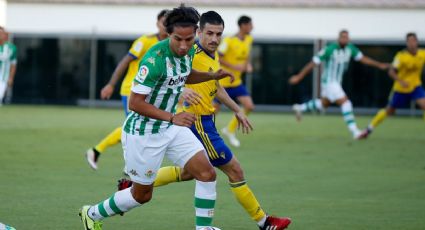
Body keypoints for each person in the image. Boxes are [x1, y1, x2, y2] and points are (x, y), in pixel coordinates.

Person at [118, 11, 292, 230]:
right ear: (198, 32)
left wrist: (237, 109)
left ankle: (132, 186)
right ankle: (264, 222)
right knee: (234, 170)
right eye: (209, 33)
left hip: (204, 120)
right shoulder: (190, 51)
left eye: (218, 34)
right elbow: (174, 78)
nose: (214, 39)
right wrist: (182, 94)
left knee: (191, 172)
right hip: (197, 121)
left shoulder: (211, 53)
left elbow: (214, 86)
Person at [79, 5, 234, 230]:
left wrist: (210, 75)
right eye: (177, 39)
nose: (183, 46)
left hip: (171, 127)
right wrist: (173, 117)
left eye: (189, 39)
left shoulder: (190, 50)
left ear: (196, 34)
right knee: (141, 196)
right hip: (144, 133)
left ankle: (203, 228)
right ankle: (91, 213)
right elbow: (134, 103)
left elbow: (185, 73)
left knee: (206, 173)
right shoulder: (154, 60)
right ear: (168, 33)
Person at [85, 10, 169, 170]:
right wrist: (111, 84)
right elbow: (125, 61)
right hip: (132, 89)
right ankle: (101, 152)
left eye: (168, 22)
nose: (165, 26)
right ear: (157, 23)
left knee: (142, 127)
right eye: (162, 22)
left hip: (152, 91)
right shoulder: (144, 41)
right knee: (134, 125)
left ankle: (127, 163)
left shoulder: (172, 45)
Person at [289, 30, 389, 139]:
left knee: (324, 104)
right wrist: (299, 76)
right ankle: (355, 132)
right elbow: (313, 63)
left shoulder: (350, 48)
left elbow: (363, 59)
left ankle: (300, 108)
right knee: (346, 103)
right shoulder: (330, 49)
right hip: (329, 82)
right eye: (342, 37)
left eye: (346, 37)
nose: (344, 39)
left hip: (335, 82)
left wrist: (379, 65)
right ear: (338, 38)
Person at [360, 32, 425, 138]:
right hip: (401, 89)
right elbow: (391, 72)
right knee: (389, 111)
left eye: (413, 41)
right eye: (409, 41)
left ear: (417, 42)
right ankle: (369, 129)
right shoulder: (401, 56)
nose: (412, 43)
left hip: (416, 86)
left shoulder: (422, 53)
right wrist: (400, 81)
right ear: (407, 43)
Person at [217, 15, 254, 147]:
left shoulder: (249, 39)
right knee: (212, 111)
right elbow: (218, 57)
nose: (252, 27)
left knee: (249, 106)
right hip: (223, 83)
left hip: (236, 82)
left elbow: (247, 54)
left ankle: (229, 130)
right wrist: (234, 67)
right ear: (243, 26)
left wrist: (248, 64)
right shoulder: (229, 40)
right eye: (250, 25)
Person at [0, 27, 17, 106]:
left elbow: (13, 64)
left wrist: (11, 77)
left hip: (3, 77)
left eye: (2, 33)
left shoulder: (11, 48)